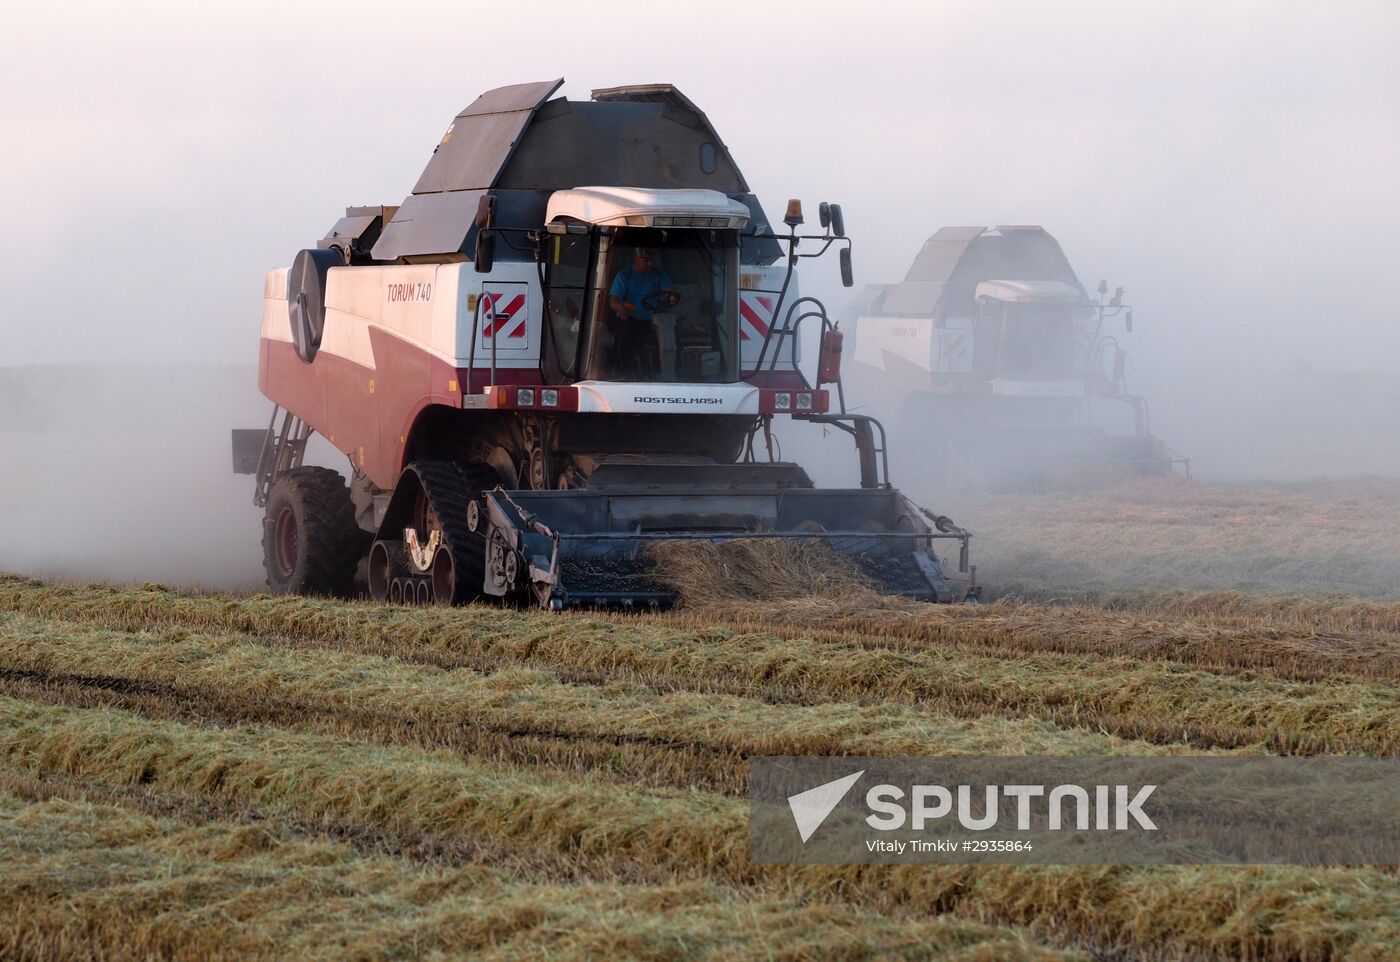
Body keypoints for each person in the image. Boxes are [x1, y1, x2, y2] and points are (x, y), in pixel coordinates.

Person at [607, 247, 678, 376]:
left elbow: (669, 293)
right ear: (636, 259)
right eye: (645, 260)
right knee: (623, 336)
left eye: (651, 260)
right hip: (631, 318)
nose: (650, 263)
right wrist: (622, 308)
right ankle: (622, 371)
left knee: (674, 334)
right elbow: (614, 301)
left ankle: (669, 371)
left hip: (654, 319)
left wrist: (672, 298)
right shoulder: (624, 275)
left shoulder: (660, 275)